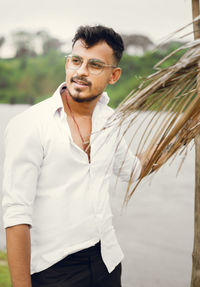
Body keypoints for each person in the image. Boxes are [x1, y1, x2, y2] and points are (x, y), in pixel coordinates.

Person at [2, 25, 144, 287]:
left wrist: (170, 143)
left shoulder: (110, 120)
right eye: (76, 61)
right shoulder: (30, 125)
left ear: (114, 75)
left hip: (107, 261)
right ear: (68, 62)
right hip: (54, 270)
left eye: (95, 65)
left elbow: (132, 169)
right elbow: (16, 215)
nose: (81, 71)